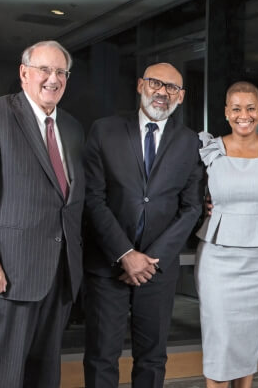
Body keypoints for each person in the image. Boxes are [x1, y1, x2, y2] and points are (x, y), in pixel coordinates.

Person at [0, 40, 83, 388]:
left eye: (61, 72)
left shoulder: (70, 127)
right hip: (7, 274)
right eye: (45, 69)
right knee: (5, 377)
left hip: (57, 275)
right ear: (24, 73)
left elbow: (67, 200)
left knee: (45, 375)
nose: (53, 78)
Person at [82, 62, 205, 387]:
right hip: (107, 266)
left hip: (157, 270)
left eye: (172, 88)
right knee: (101, 356)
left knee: (152, 358)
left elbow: (191, 208)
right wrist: (125, 253)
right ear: (140, 85)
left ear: (181, 96)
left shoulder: (190, 142)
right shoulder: (104, 130)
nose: (162, 92)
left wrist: (148, 260)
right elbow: (93, 199)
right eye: (155, 83)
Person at [194, 81, 258, 388]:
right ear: (226, 112)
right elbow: (188, 195)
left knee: (250, 335)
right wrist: (202, 206)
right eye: (236, 108)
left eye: (250, 108)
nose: (243, 115)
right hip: (217, 259)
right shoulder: (210, 149)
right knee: (219, 338)